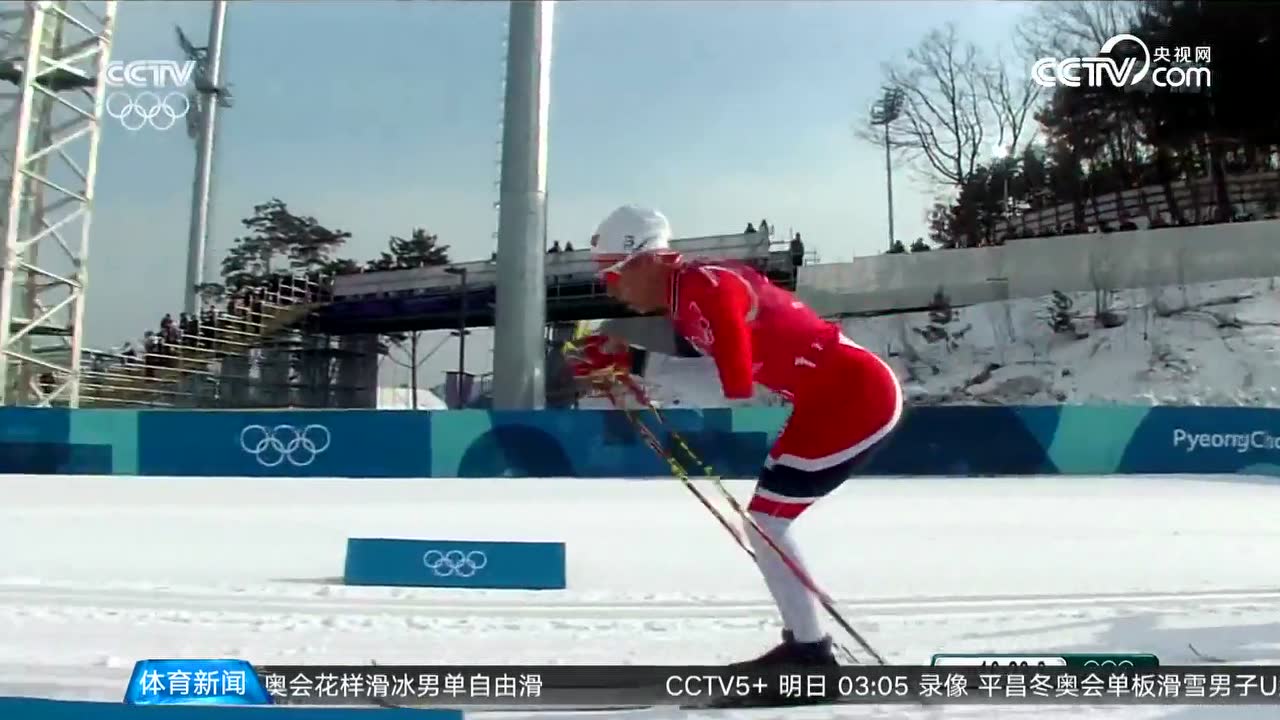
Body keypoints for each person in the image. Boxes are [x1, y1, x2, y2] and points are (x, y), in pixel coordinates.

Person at [567, 205, 904, 668]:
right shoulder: (687, 299)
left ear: (643, 260)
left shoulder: (704, 284)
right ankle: (807, 646)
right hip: (824, 400)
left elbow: (736, 382)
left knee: (766, 523)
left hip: (857, 398)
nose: (611, 290)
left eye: (611, 276)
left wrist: (634, 362)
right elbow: (724, 379)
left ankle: (809, 652)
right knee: (765, 523)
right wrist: (633, 364)